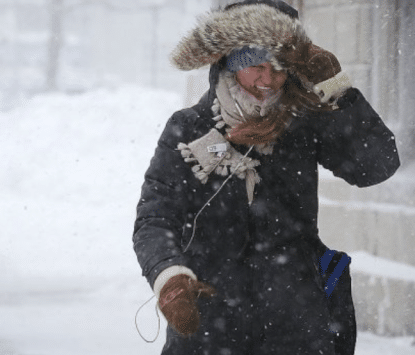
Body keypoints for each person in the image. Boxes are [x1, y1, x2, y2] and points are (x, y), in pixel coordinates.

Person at [132, 1, 400, 354]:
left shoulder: (304, 122)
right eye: (256, 66)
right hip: (211, 321)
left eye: (278, 68)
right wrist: (169, 278)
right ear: (230, 62)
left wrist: (337, 87)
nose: (268, 80)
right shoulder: (189, 127)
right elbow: (155, 217)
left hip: (296, 320)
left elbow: (376, 165)